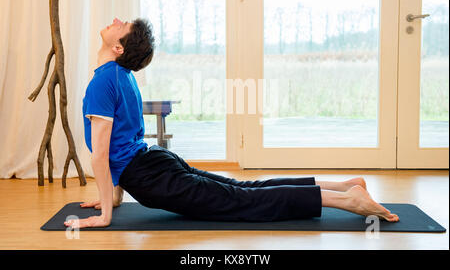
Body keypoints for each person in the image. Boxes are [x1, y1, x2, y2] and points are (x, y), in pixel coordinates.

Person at [64, 17, 399, 229]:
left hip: (151, 176)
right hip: (154, 162)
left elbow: (101, 155)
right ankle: (342, 186)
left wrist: (107, 213)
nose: (115, 19)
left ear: (118, 47)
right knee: (242, 189)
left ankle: (347, 200)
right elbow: (122, 144)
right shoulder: (123, 77)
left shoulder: (102, 81)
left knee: (242, 201)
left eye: (120, 25)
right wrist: (115, 197)